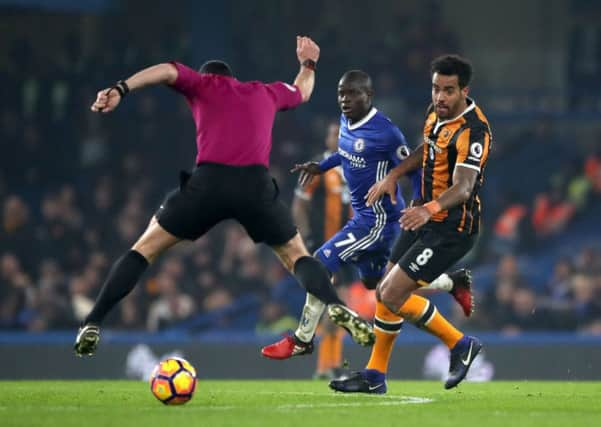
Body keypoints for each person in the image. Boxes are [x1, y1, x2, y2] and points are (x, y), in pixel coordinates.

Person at [73, 36, 374, 357]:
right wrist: (308, 63)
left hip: (210, 181)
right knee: (296, 255)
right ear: (234, 78)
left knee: (144, 249)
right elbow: (303, 90)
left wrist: (120, 89)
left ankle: (93, 321)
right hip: (256, 184)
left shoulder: (202, 84)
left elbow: (165, 70)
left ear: (208, 76)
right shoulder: (263, 91)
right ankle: (336, 304)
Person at [261, 70, 474, 367]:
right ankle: (452, 283)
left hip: (377, 220)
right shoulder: (347, 122)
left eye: (352, 94)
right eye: (340, 93)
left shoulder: (386, 132)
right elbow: (345, 153)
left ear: (368, 96)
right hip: (364, 217)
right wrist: (322, 166)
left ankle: (302, 339)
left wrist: (422, 207)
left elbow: (413, 167)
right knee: (378, 282)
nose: (344, 100)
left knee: (319, 263)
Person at [330, 54, 492, 392]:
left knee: (391, 293)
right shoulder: (435, 115)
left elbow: (463, 188)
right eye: (436, 89)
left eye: (448, 90)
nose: (440, 97)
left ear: (464, 90)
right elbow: (427, 150)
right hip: (424, 217)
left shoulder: (474, 130)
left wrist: (428, 209)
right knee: (383, 289)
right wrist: (394, 174)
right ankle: (375, 376)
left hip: (452, 228)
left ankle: (461, 344)